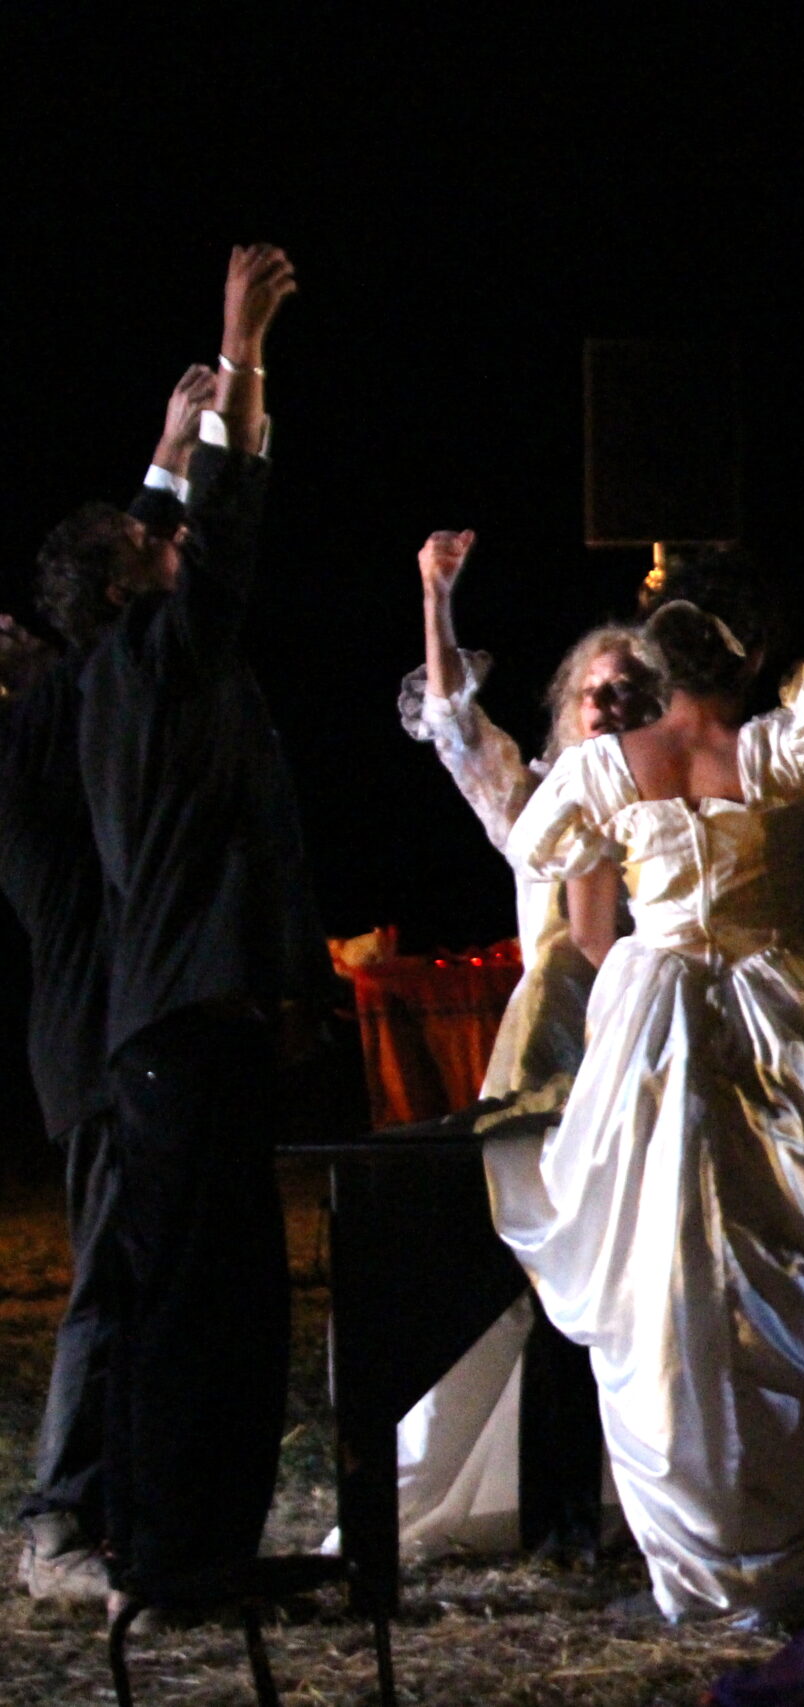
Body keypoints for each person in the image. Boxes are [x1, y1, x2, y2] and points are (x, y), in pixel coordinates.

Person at [501, 354, 804, 1624]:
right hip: (779, 1011)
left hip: (659, 1017)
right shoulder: (787, 746)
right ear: (753, 658)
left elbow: (545, 853)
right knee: (798, 1259)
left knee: (675, 1281)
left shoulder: (608, 768)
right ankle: (791, 1535)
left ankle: (701, 1544)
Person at [70, 243, 323, 1612]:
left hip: (181, 1032)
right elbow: (217, 540)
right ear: (134, 587)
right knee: (196, 1306)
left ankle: (180, 1547)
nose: (175, 544)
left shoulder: (139, 672)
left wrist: (170, 450)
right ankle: (176, 1557)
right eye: (156, 546)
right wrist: (242, 357)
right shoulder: (149, 663)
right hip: (178, 1036)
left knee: (202, 1297)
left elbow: (178, 533)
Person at [377, 528, 665, 1560]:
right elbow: (454, 724)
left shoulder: (675, 808)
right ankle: (554, 1506)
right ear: (566, 706)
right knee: (546, 1283)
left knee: (638, 1279)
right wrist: (436, 597)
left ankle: (633, 1494)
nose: (611, 704)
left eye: (630, 691)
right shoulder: (535, 799)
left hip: (644, 1052)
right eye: (596, 691)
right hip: (552, 1059)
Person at [2, 364, 216, 1603]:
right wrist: (170, 464)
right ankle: (59, 1522)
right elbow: (117, 617)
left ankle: (108, 1507)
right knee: (106, 1279)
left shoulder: (63, 709)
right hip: (95, 1038)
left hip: (101, 1031)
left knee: (133, 1273)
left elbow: (110, 602)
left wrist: (166, 454)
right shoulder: (58, 716)